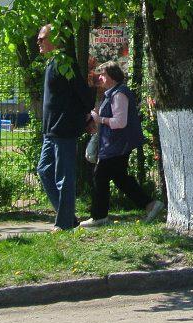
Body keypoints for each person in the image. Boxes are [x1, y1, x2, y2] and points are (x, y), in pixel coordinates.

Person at [28, 24, 90, 232]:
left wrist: (84, 119)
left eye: (42, 38)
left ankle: (64, 224)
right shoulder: (51, 63)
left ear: (56, 40)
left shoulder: (65, 64)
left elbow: (84, 95)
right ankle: (68, 218)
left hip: (63, 129)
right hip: (50, 130)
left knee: (64, 177)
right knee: (44, 170)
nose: (38, 42)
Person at [81, 62, 151, 226]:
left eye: (103, 74)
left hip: (118, 144)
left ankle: (99, 217)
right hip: (113, 143)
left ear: (112, 76)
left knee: (100, 175)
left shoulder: (119, 94)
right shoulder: (111, 93)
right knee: (120, 178)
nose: (100, 77)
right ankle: (150, 204)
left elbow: (120, 122)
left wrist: (100, 119)